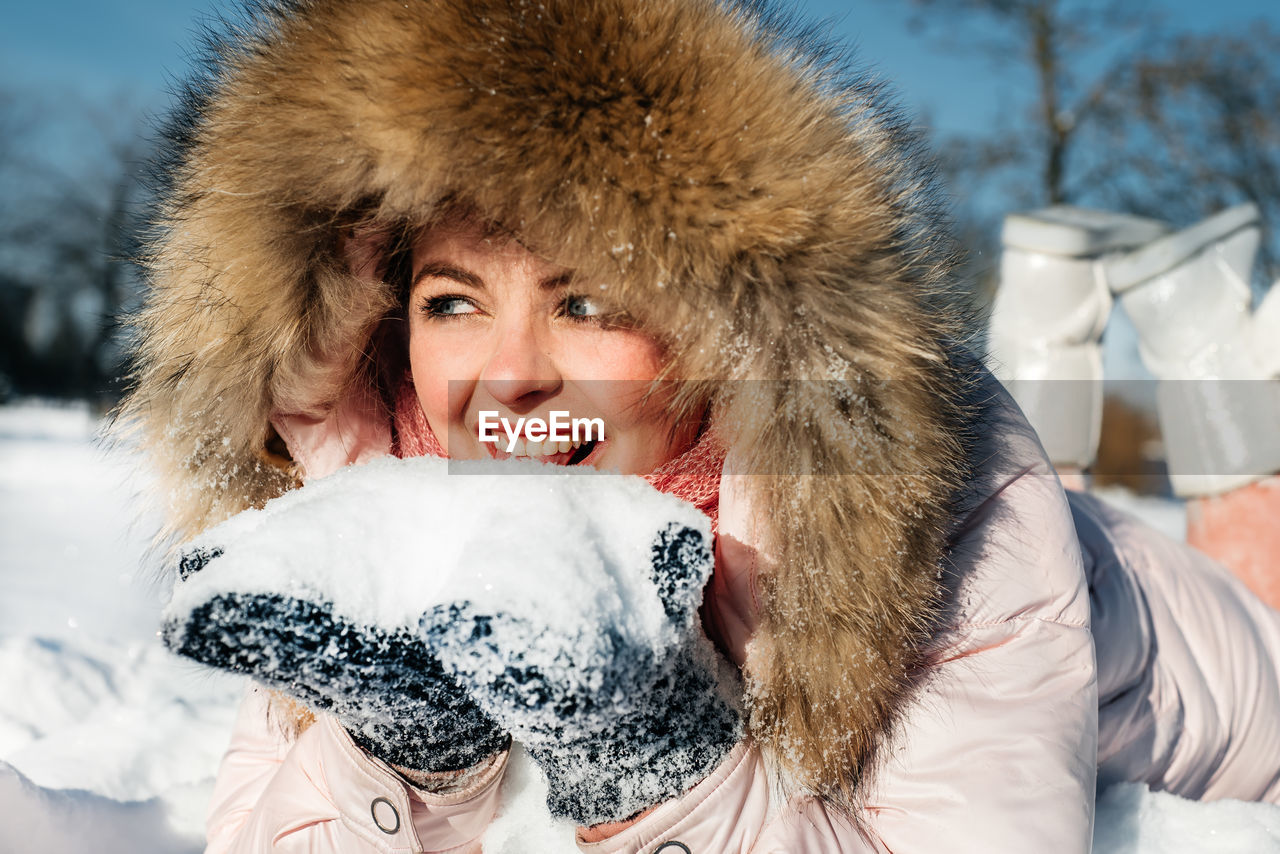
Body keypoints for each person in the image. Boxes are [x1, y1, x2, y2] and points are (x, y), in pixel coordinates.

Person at [118, 0, 1280, 851]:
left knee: (1252, 561)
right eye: (452, 300)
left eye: (585, 300)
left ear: (712, 322)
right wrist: (405, 754)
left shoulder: (943, 487)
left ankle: (1210, 348)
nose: (507, 375)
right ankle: (1058, 313)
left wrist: (654, 759)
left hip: (1208, 662)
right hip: (1069, 572)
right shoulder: (379, 475)